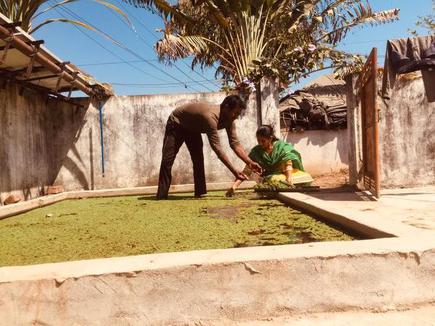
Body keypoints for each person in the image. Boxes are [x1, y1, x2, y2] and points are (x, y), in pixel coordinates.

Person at [157, 95, 262, 199]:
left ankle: (200, 193)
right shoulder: (210, 117)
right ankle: (161, 195)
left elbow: (235, 143)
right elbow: (217, 148)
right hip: (177, 123)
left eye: (238, 114)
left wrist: (249, 162)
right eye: (235, 112)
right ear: (226, 107)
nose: (236, 116)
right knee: (167, 160)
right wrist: (234, 171)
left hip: (193, 128)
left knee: (198, 159)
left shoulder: (230, 120)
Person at [226, 125, 305, 197]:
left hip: (287, 178)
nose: (260, 143)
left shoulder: (282, 148)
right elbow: (247, 170)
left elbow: (288, 164)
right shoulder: (256, 151)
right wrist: (234, 187)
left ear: (270, 138)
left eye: (263, 141)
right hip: (269, 182)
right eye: (258, 141)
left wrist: (289, 183)